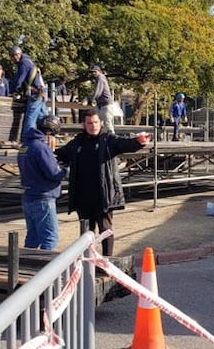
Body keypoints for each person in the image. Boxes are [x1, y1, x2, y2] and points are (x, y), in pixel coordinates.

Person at [54, 109, 149, 256]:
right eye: (90, 123)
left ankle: (107, 261)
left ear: (101, 123)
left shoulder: (107, 140)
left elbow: (123, 144)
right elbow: (60, 154)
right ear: (83, 124)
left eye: (96, 122)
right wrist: (47, 148)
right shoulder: (77, 142)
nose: (93, 126)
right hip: (83, 197)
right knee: (86, 233)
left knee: (105, 230)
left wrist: (138, 142)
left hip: (103, 196)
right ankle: (88, 262)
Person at [17, 115, 67, 250]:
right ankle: (45, 269)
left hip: (28, 196)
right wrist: (65, 170)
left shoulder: (25, 145)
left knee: (32, 238)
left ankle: (26, 266)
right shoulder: (41, 148)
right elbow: (54, 173)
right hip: (43, 198)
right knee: (50, 238)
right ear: (50, 133)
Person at [10, 46, 47, 137]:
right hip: (40, 92)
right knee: (42, 118)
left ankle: (27, 141)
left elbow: (19, 80)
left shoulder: (24, 63)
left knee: (30, 119)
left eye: (14, 56)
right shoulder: (28, 62)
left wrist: (12, 91)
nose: (14, 58)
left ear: (18, 54)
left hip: (35, 94)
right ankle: (46, 136)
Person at [89, 65, 115, 134]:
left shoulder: (100, 78)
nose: (93, 73)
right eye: (92, 72)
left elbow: (98, 92)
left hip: (106, 104)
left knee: (107, 123)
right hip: (100, 104)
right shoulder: (97, 79)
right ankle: (103, 140)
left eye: (95, 72)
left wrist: (92, 99)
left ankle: (113, 140)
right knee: (99, 123)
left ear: (99, 71)